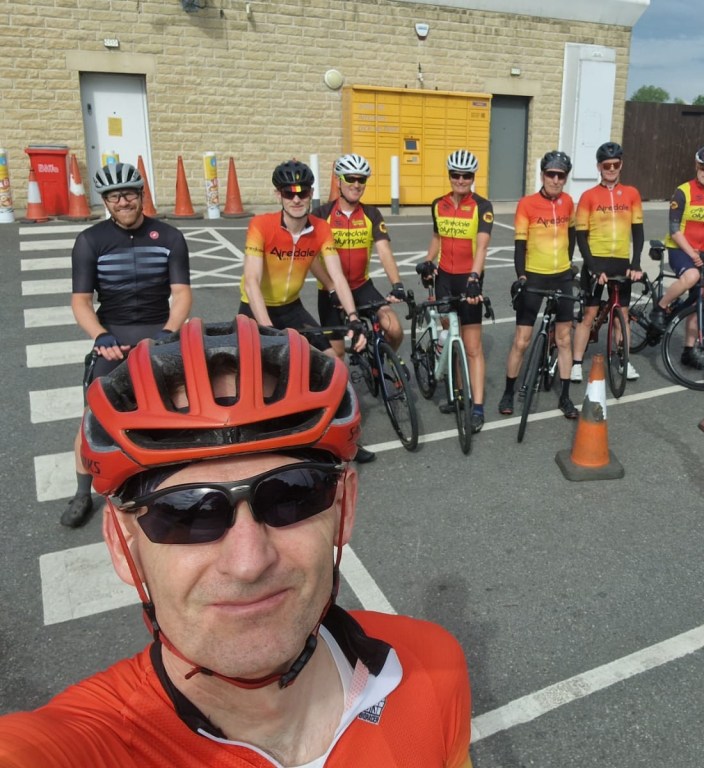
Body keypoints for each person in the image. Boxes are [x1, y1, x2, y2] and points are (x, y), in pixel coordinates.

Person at [0, 317, 474, 767]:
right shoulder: (86, 745)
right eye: (187, 512)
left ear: (344, 508)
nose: (249, 562)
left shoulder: (432, 667)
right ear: (122, 543)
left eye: (291, 494)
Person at [64, 162, 192, 529]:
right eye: (114, 197)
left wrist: (168, 332)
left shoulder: (169, 237)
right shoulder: (90, 241)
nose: (123, 202)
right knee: (92, 416)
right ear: (105, 201)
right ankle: (82, 493)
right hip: (113, 338)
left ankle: (178, 482)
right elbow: (81, 301)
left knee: (181, 408)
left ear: (141, 195)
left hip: (159, 332)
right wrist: (100, 335)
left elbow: (182, 294)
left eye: (129, 194)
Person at [239, 160, 374, 464]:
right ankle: (265, 443)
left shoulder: (321, 229)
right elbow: (251, 281)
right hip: (255, 309)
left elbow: (337, 277)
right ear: (279, 195)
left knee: (334, 362)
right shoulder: (261, 225)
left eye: (303, 192)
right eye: (289, 193)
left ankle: (346, 437)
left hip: (291, 307)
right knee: (261, 378)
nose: (297, 198)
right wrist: (267, 328)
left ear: (311, 193)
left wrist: (353, 318)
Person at [417, 149, 493, 433]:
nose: (461, 180)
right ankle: (459, 394)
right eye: (455, 175)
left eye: (466, 176)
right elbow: (437, 237)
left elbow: (482, 246)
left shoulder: (482, 206)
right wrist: (428, 260)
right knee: (451, 336)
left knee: (472, 347)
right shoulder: (439, 204)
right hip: (444, 279)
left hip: (468, 280)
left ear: (473, 177)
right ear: (449, 175)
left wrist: (474, 277)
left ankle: (477, 407)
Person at [498, 150, 578, 419]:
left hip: (562, 276)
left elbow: (572, 235)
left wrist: (569, 264)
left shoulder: (568, 202)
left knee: (564, 339)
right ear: (543, 175)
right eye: (551, 174)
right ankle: (508, 391)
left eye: (560, 175)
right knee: (522, 340)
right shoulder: (527, 204)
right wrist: (521, 276)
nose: (555, 180)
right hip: (534, 275)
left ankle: (565, 396)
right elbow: (519, 245)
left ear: (565, 178)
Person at [648, 144, 704, 370]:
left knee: (698, 302)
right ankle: (661, 307)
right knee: (692, 276)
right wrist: (693, 254)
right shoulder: (683, 191)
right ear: (696, 166)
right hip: (680, 248)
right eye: (702, 166)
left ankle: (688, 351)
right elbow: (674, 229)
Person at [312, 154, 406, 355]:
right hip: (330, 293)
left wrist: (397, 284)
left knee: (395, 330)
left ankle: (380, 363)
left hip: (362, 287)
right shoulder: (320, 215)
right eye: (350, 178)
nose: (356, 184)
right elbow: (310, 258)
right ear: (338, 181)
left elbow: (384, 251)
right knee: (337, 355)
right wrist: (330, 287)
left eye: (361, 179)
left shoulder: (371, 214)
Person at [570, 141, 644, 383]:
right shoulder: (588, 196)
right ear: (599, 167)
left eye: (615, 164)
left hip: (621, 262)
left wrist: (635, 263)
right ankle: (576, 363)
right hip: (596, 261)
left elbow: (638, 232)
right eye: (606, 165)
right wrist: (592, 267)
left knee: (622, 314)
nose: (611, 169)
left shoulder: (632, 194)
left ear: (621, 165)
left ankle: (624, 361)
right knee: (589, 315)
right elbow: (581, 236)